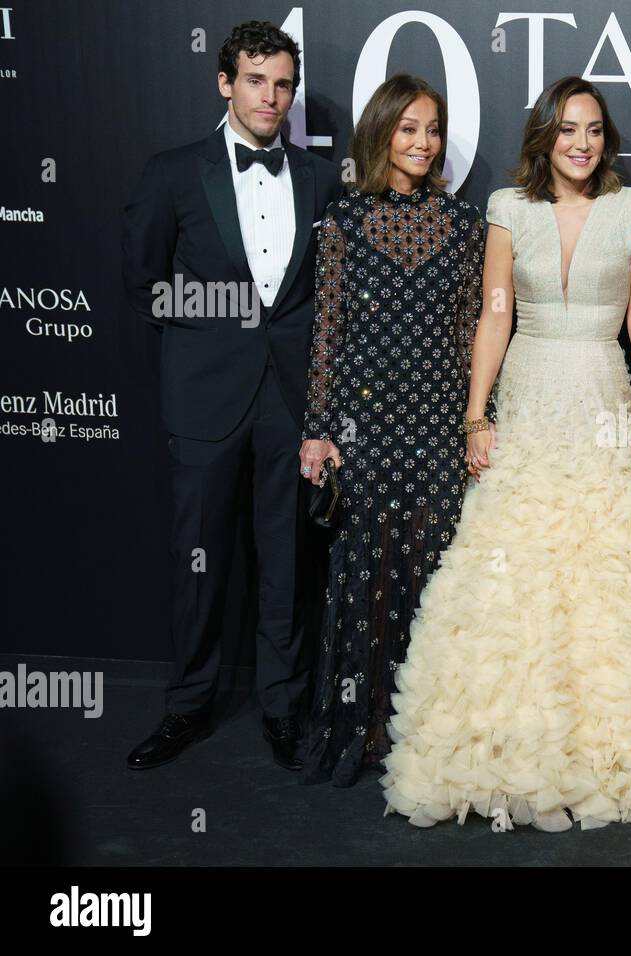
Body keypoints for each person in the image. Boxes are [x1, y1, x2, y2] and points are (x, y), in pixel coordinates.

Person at [379, 76, 631, 836]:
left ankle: (602, 752)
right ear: (545, 136)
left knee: (603, 571)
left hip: (602, 391)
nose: (581, 143)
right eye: (568, 128)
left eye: (595, 130)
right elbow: (494, 318)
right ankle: (501, 745)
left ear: (607, 140)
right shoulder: (509, 210)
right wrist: (476, 414)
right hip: (528, 395)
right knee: (512, 562)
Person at [122, 20, 342, 771]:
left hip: (289, 402)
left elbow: (324, 302)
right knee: (199, 563)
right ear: (225, 83)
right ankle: (187, 709)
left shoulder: (318, 179)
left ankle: (282, 710)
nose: (270, 97)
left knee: (286, 563)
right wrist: (222, 314)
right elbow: (146, 286)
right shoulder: (172, 172)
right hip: (205, 401)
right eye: (255, 80)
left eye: (283, 83)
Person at [294, 75, 485, 787]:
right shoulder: (344, 220)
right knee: (365, 576)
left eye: (432, 129)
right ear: (381, 133)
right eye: (408, 128)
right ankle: (363, 726)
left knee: (431, 574)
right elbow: (328, 332)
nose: (422, 142)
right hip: (366, 426)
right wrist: (319, 429)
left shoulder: (466, 225)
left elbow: (472, 330)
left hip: (437, 426)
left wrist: (476, 421)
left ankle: (425, 736)